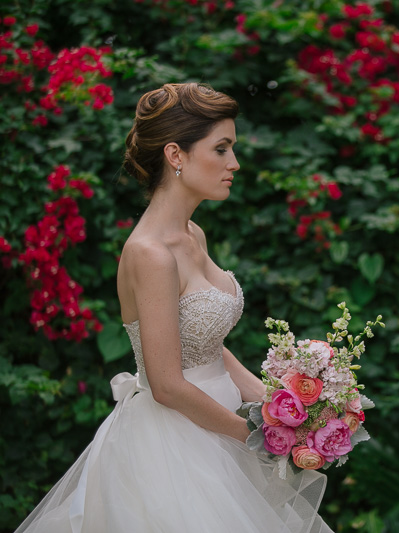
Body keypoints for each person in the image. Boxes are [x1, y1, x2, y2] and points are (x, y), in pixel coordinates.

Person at [15, 82, 333, 533]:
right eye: (221, 149)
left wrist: (277, 406)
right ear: (175, 155)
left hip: (219, 429)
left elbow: (204, 343)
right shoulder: (150, 253)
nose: (234, 163)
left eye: (233, 149)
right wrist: (258, 439)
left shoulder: (193, 235)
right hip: (175, 444)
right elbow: (166, 384)